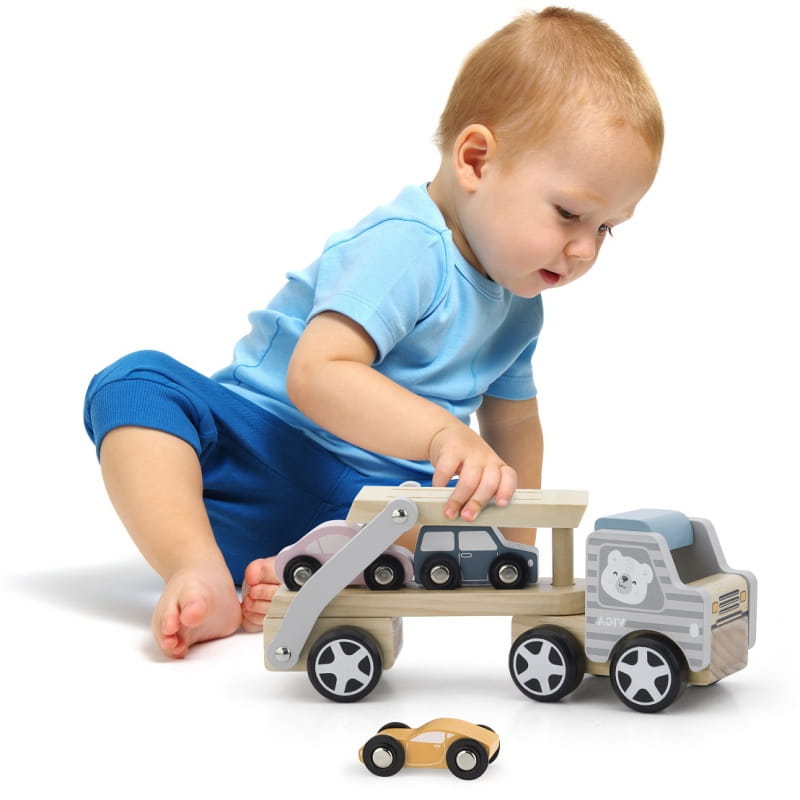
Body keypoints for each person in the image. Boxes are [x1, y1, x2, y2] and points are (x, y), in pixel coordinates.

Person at [83, 7, 663, 658]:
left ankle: (293, 577)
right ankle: (198, 567)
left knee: (454, 538)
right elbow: (317, 375)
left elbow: (515, 427)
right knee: (135, 383)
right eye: (569, 213)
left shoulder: (520, 306)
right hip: (265, 450)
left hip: (377, 510)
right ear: (476, 160)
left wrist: (517, 549)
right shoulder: (408, 246)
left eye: (606, 228)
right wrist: (442, 434)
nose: (585, 249)